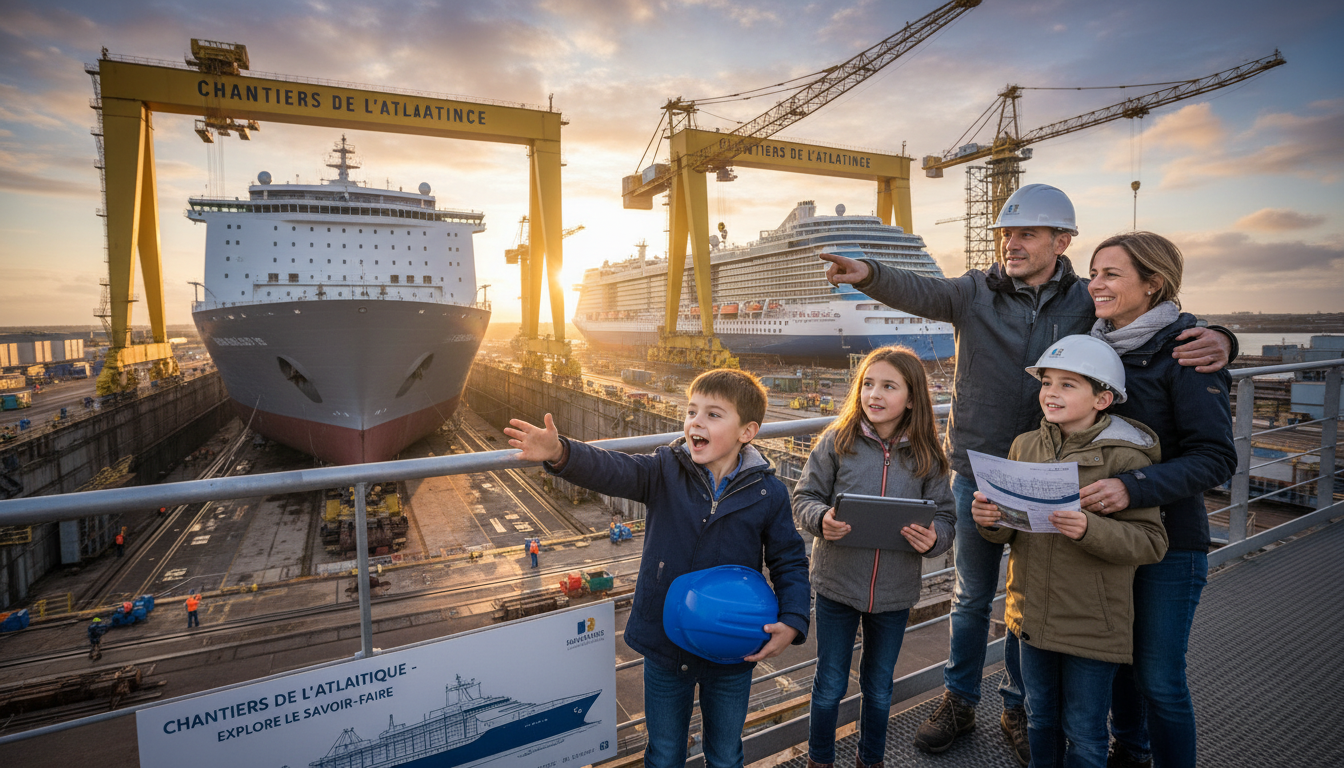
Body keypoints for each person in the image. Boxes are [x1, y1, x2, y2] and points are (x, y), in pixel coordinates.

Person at [819, 183, 1234, 765]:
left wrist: (1223, 338)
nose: (1010, 243)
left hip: (1056, 474)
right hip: (982, 470)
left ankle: (1020, 706)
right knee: (972, 596)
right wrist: (868, 273)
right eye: (1006, 234)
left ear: (1061, 242)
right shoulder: (974, 291)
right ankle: (961, 700)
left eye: (1026, 234)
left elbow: (1158, 318)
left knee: (1033, 599)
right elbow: (922, 290)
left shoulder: (1088, 301)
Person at [505, 369, 810, 768]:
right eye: (691, 411)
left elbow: (789, 559)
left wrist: (793, 619)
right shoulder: (665, 470)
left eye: (713, 414)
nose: (695, 422)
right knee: (665, 753)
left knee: (725, 752)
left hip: (733, 648)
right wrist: (561, 452)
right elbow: (613, 469)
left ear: (747, 432)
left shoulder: (769, 493)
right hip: (666, 644)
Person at [1076, 232, 1236, 768]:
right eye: (1093, 273)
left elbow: (1216, 457)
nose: (1095, 285)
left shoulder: (1185, 353)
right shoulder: (1093, 347)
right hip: (1110, 536)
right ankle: (1132, 750)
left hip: (1171, 541)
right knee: (1119, 662)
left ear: (1154, 284)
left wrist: (1133, 486)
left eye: (1111, 274)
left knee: (1160, 679)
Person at [973, 335, 1168, 767]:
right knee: (1039, 718)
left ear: (1103, 399)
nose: (1051, 393)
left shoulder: (1126, 459)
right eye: (1046, 382)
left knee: (1084, 732)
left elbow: (1150, 542)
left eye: (1067, 384)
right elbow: (1009, 534)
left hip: (1091, 624)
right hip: (1032, 615)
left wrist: (1088, 529)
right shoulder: (1025, 446)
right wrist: (990, 521)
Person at [793, 346, 956, 768]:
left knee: (880, 687)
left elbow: (946, 519)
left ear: (912, 398)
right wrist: (821, 519)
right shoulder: (836, 441)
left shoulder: (928, 456)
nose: (874, 394)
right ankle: (819, 760)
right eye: (867, 384)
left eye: (888, 386)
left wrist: (933, 539)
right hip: (836, 586)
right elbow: (804, 497)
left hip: (894, 592)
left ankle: (871, 760)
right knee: (829, 685)